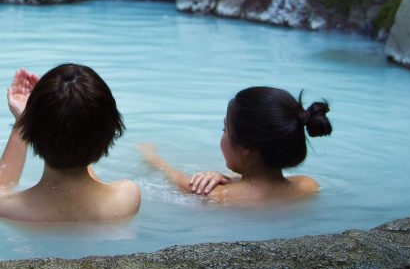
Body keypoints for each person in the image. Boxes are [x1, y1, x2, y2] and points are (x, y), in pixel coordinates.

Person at [0, 63, 141, 222]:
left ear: (30, 135)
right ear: (111, 133)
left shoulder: (2, 209)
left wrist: (21, 123)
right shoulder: (127, 197)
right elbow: (84, 145)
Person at [139, 86, 331, 205]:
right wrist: (231, 178)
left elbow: (172, 176)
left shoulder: (215, 195)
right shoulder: (308, 186)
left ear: (245, 146)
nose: (223, 135)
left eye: (225, 128)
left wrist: (151, 155)